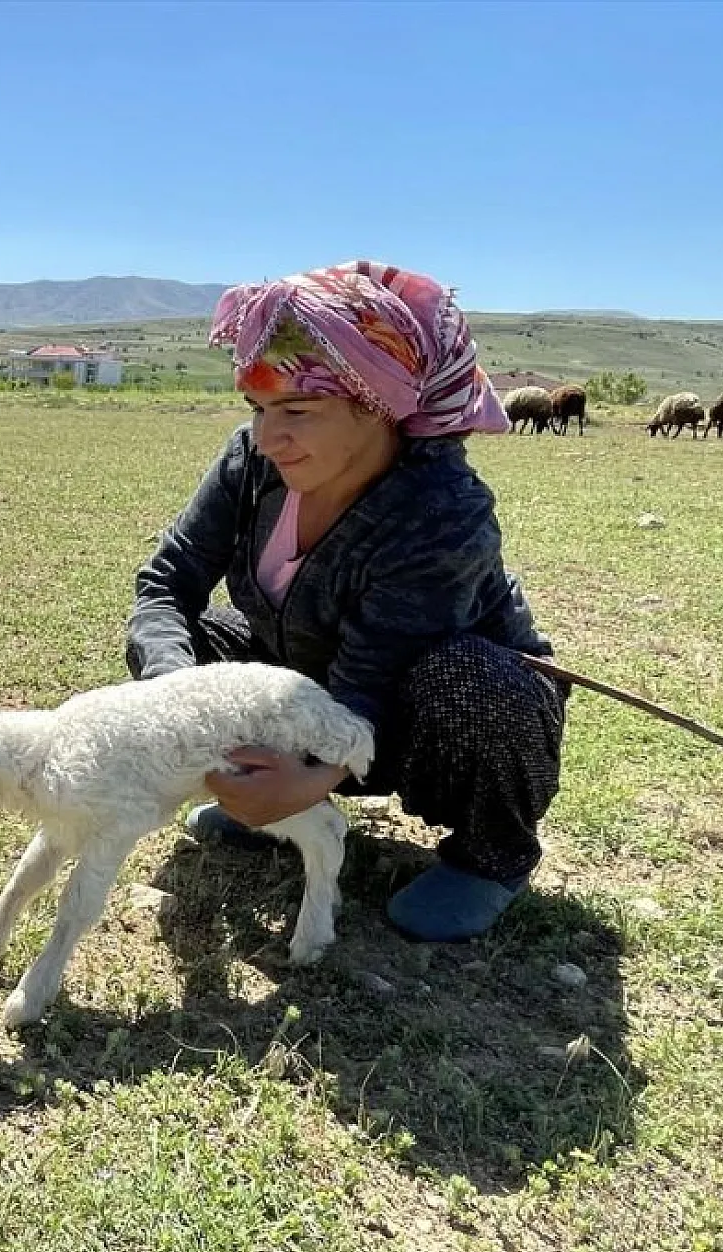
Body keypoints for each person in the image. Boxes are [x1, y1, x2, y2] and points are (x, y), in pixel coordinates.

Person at [125, 260, 565, 943]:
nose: (270, 437)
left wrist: (306, 774)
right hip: (315, 685)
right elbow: (167, 583)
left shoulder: (442, 510)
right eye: (260, 409)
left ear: (379, 406)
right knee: (192, 646)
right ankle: (289, 813)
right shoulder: (252, 462)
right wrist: (176, 702)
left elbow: (374, 676)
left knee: (480, 681)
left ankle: (492, 858)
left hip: (410, 717)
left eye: (297, 410)